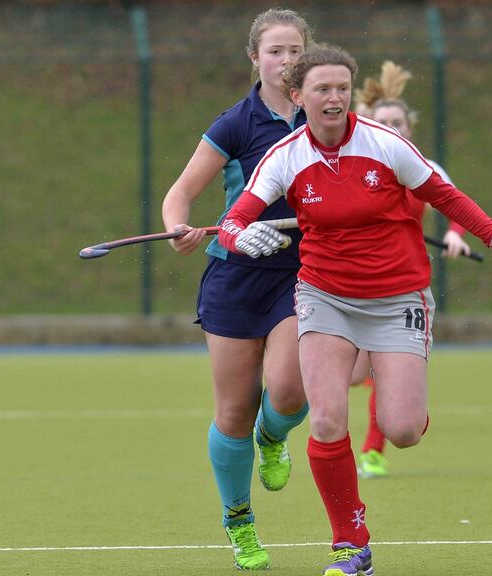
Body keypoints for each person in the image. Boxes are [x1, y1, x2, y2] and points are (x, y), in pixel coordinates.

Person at [217, 44, 492, 576]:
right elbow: (237, 218)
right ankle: (351, 545)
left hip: (398, 299)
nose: (334, 98)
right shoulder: (286, 156)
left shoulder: (385, 145)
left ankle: (408, 398)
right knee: (325, 420)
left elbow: (449, 197)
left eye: (342, 88)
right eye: (322, 89)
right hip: (324, 296)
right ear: (299, 96)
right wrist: (240, 237)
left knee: (402, 429)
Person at [160, 8, 313, 571]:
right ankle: (239, 521)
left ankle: (273, 437)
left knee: (290, 393)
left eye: (294, 50)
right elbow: (180, 195)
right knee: (232, 411)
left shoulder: (324, 115)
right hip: (234, 275)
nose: (285, 60)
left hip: (303, 273)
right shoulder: (235, 123)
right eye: (274, 51)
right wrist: (179, 226)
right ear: (255, 58)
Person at [349, 60, 476, 480]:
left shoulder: (423, 166)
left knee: (377, 374)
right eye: (382, 121)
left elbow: (454, 204)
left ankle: (372, 449)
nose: (391, 128)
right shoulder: (350, 165)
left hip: (401, 285)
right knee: (353, 376)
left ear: (409, 128)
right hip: (346, 283)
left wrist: (456, 234)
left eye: (398, 122)